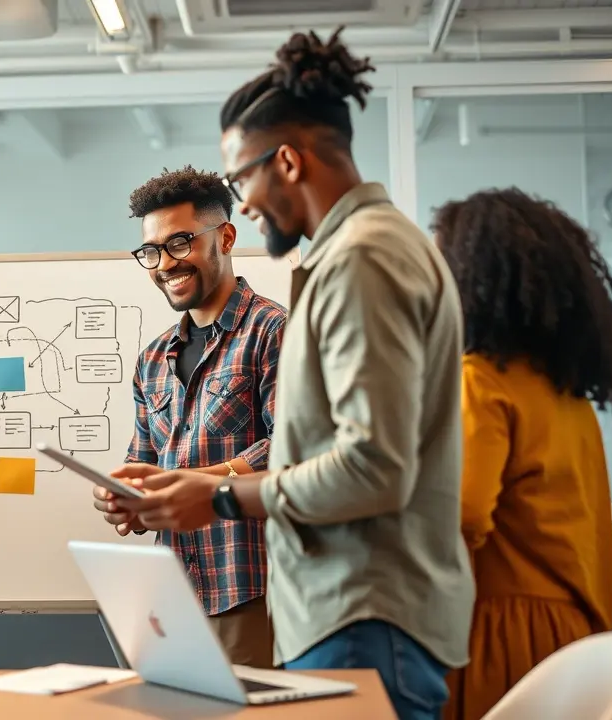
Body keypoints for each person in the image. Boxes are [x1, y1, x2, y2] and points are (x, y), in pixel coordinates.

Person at [95, 29, 473, 720]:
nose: (243, 202)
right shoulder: (357, 254)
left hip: (359, 613)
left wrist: (217, 494)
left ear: (289, 161)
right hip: (343, 613)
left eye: (241, 180)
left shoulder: (363, 258)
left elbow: (373, 468)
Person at [432, 188, 612, 720]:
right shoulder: (568, 397)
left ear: (470, 278)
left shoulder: (480, 381)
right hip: (571, 639)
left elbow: (457, 519)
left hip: (499, 638)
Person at [100, 166, 285, 668]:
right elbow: (144, 466)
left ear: (225, 237)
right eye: (152, 251)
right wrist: (128, 500)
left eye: (180, 243)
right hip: (171, 599)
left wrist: (195, 484)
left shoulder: (273, 331)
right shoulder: (152, 359)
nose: (165, 264)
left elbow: (292, 451)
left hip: (251, 592)